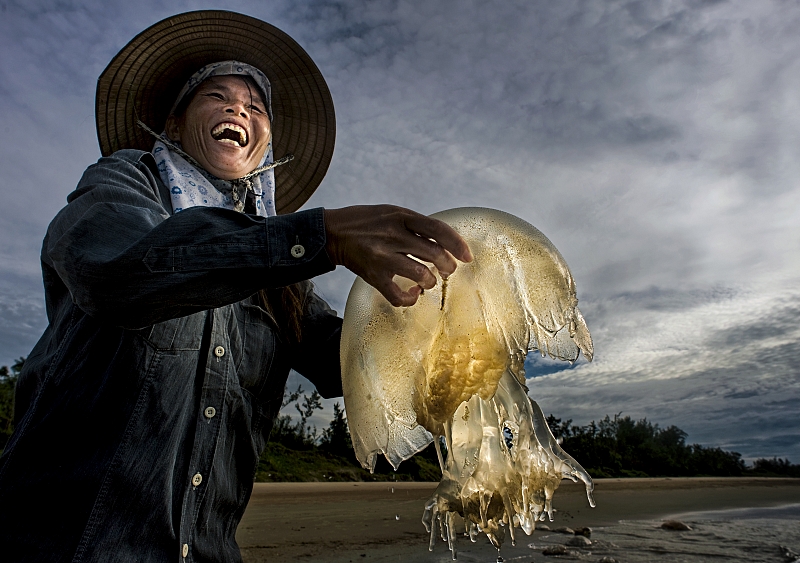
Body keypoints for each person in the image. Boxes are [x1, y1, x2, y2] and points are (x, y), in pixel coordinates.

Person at [0, 11, 471, 563]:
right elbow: (118, 272)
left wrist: (450, 348)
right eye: (216, 97)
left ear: (265, 144)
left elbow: (350, 358)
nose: (237, 109)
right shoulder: (122, 186)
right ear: (174, 124)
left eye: (255, 107)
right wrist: (322, 236)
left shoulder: (278, 280)